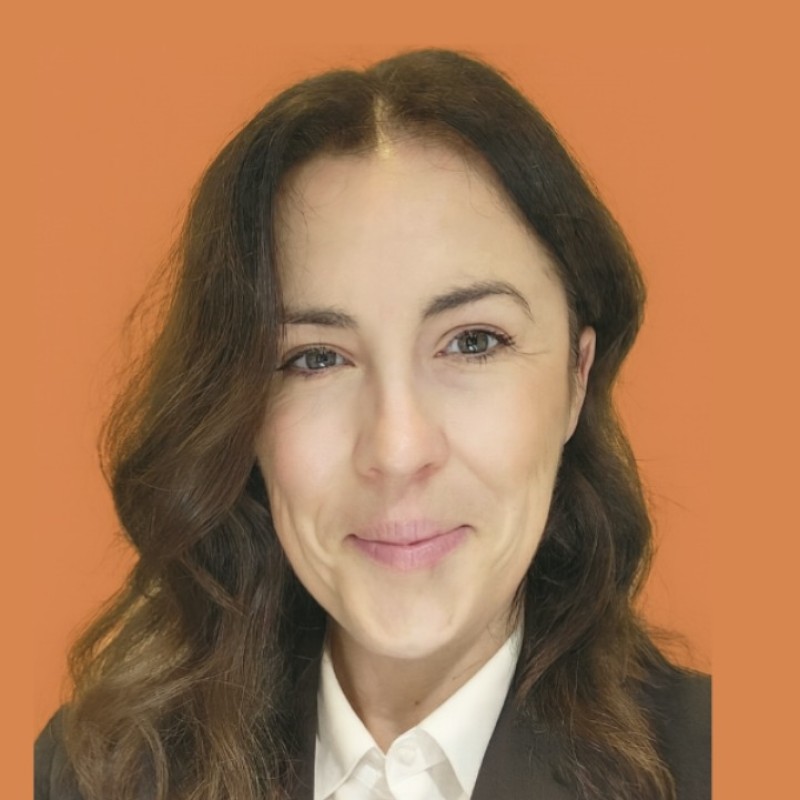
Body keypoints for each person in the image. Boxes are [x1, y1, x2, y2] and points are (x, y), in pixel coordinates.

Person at [34, 48, 710, 800]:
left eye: (473, 342)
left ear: (576, 379)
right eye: (316, 358)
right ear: (240, 413)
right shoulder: (89, 775)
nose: (397, 448)